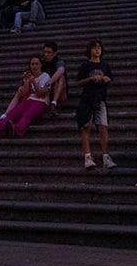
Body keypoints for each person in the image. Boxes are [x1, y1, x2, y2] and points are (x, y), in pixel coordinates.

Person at [75, 40, 115, 170]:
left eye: (99, 48)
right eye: (94, 48)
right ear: (90, 50)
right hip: (87, 98)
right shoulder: (85, 65)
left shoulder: (105, 65)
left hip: (100, 98)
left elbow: (110, 79)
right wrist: (90, 79)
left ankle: (105, 156)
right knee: (86, 126)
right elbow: (78, 82)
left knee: (103, 127)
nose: (97, 50)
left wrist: (107, 79)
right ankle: (87, 156)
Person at [0, 55, 54, 138]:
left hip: (41, 102)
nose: (34, 66)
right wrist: (26, 82)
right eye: (32, 64)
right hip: (29, 100)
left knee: (28, 114)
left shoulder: (46, 76)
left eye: (36, 64)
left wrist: (33, 82)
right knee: (13, 113)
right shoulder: (29, 76)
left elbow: (40, 94)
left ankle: (17, 130)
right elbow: (24, 93)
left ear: (41, 65)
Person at [37, 40, 67, 111]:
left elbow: (61, 70)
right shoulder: (42, 62)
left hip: (58, 92)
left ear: (55, 53)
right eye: (44, 52)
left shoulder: (58, 61)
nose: (46, 54)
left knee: (61, 77)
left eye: (49, 52)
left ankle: (54, 103)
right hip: (45, 92)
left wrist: (49, 83)